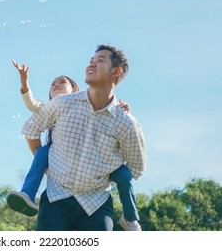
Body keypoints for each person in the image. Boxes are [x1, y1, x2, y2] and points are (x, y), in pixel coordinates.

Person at [21, 44, 147, 231]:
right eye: (91, 61)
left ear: (116, 71)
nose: (91, 65)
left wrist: (105, 170)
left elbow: (136, 167)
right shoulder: (62, 103)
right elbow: (31, 130)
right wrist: (47, 165)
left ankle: (130, 219)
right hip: (56, 199)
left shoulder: (127, 123)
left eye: (100, 61)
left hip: (96, 206)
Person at [6, 61, 80, 217]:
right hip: (55, 151)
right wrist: (24, 81)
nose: (55, 85)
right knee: (42, 153)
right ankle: (27, 194)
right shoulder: (48, 107)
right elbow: (31, 104)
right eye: (52, 84)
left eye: (62, 82)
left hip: (79, 153)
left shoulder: (83, 105)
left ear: (75, 90)